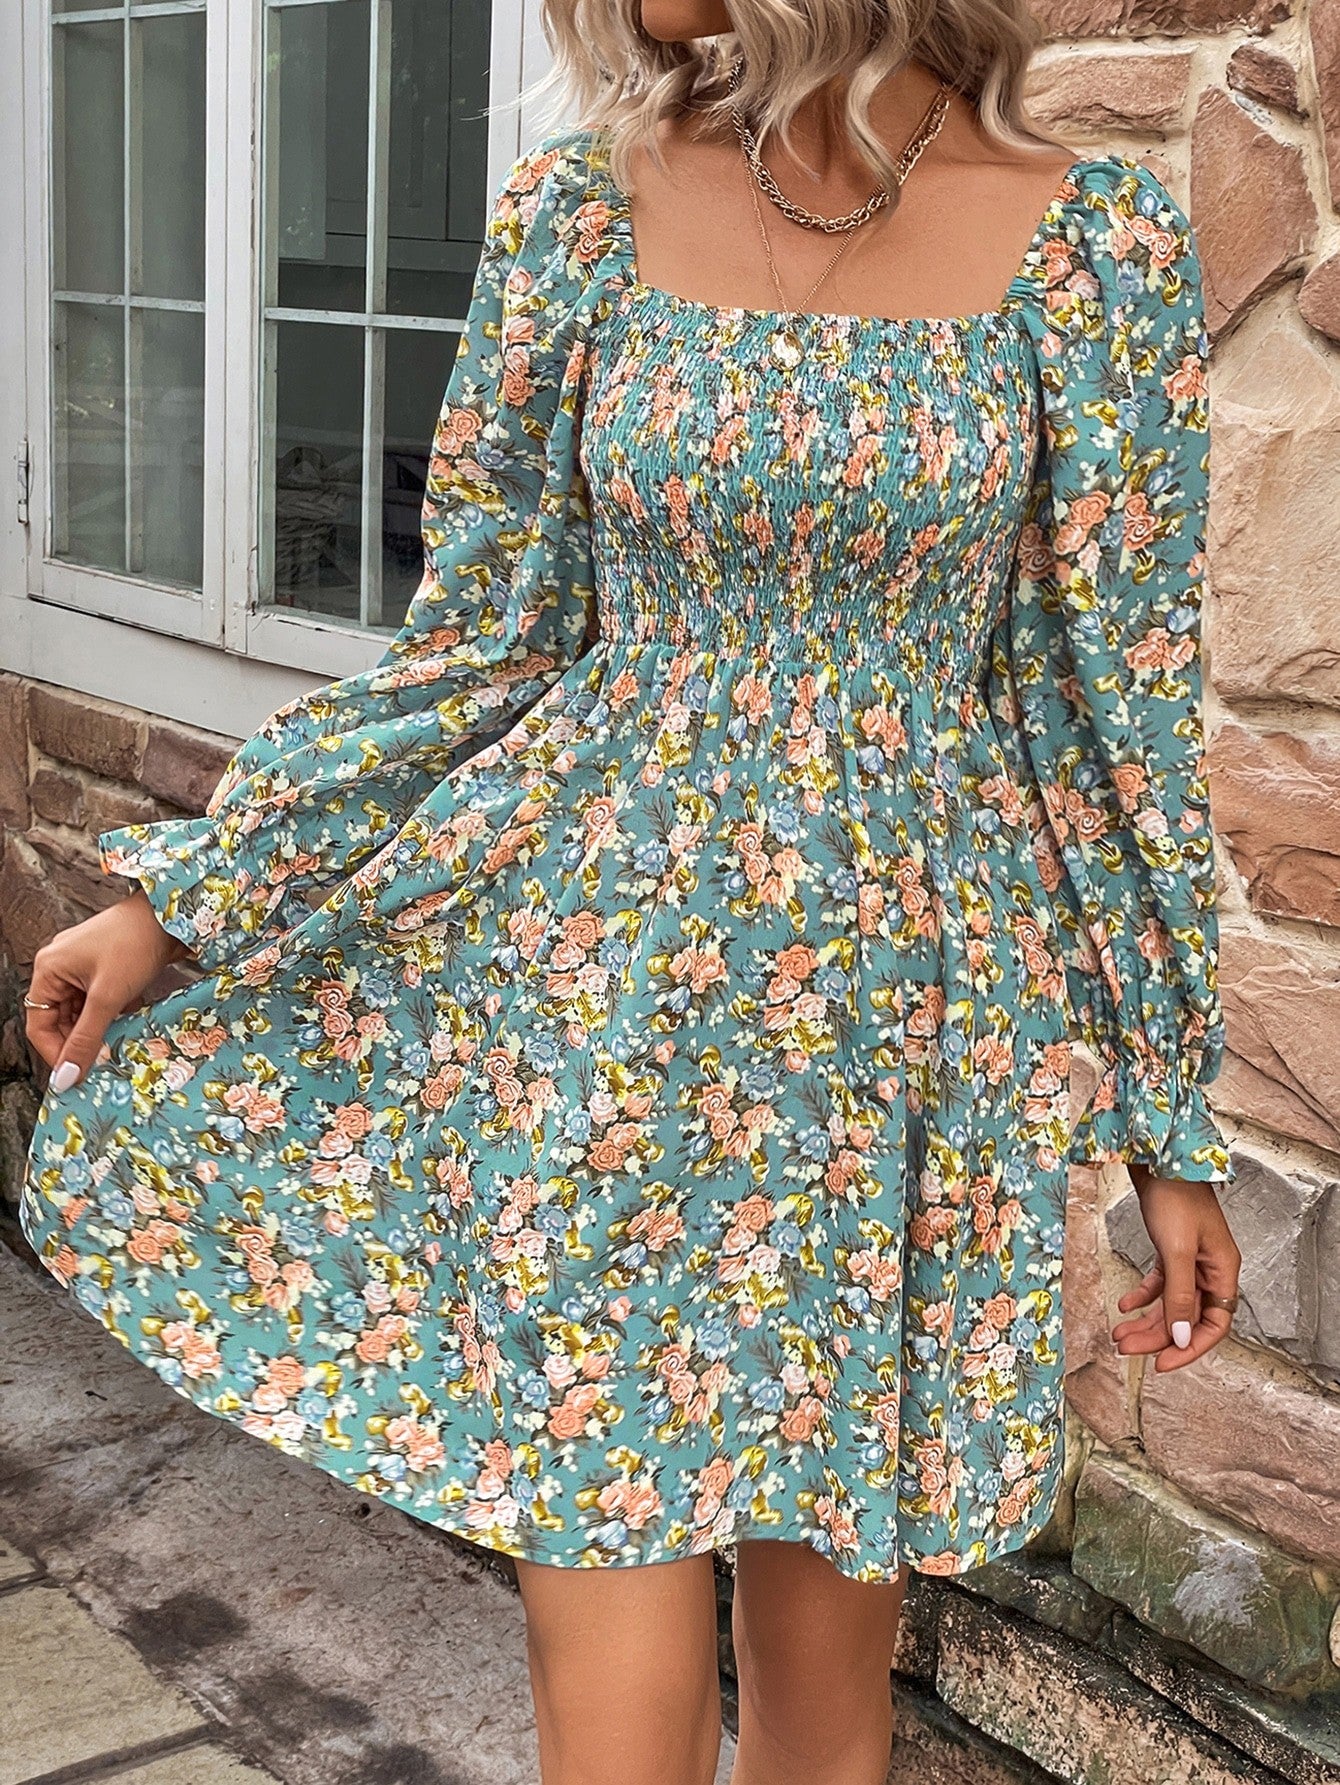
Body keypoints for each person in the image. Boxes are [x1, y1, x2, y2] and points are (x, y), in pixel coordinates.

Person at [20, 4, 1243, 1782]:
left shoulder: (1093, 249)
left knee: (824, 1698)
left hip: (891, 1053)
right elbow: (481, 646)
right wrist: (190, 897)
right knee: (604, 1666)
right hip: (599, 1014)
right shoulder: (581, 217)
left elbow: (1110, 718)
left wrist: (1165, 1118)